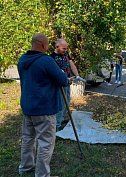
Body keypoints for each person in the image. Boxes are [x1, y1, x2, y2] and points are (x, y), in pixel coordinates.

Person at [18, 33, 69, 176]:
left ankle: (25, 167)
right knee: (45, 143)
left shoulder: (22, 59)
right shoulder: (46, 60)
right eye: (47, 44)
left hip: (28, 107)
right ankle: (41, 174)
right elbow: (63, 80)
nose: (48, 47)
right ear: (42, 44)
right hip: (44, 109)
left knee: (28, 139)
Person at [51, 39, 85, 131]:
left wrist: (77, 75)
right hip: (58, 85)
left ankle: (61, 120)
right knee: (60, 104)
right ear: (57, 46)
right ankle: (56, 126)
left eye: (66, 49)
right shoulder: (51, 57)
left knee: (67, 102)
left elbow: (71, 64)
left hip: (67, 83)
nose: (65, 50)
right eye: (63, 49)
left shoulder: (65, 54)